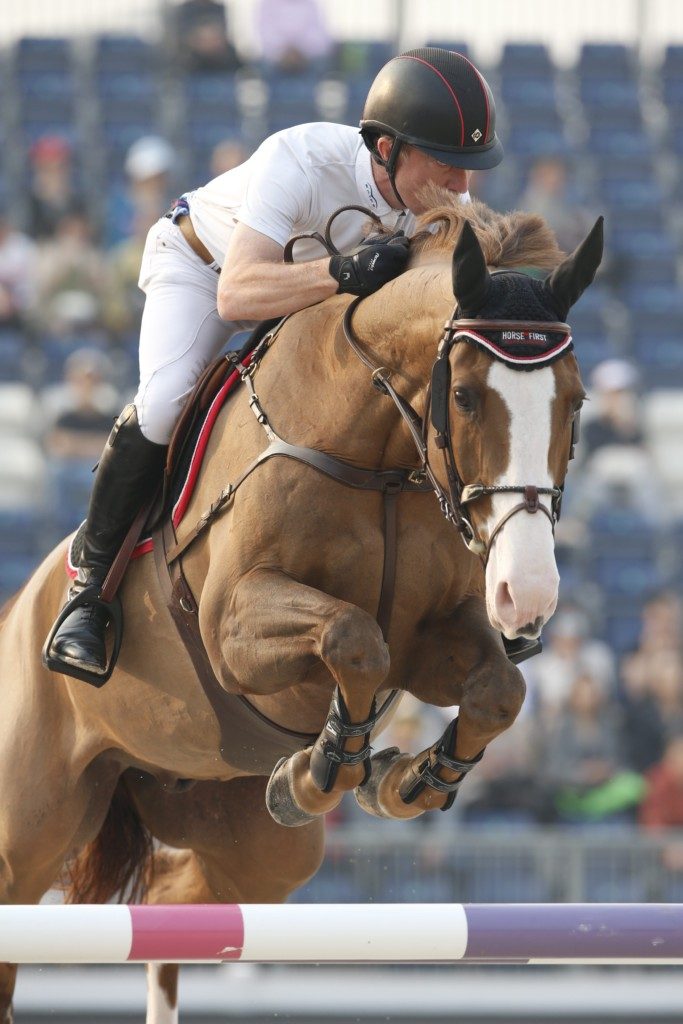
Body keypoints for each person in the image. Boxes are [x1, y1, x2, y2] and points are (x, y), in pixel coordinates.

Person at [44, 47, 505, 682]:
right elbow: (237, 294)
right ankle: (88, 592)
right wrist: (340, 272)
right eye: (449, 166)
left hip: (302, 304)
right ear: (388, 150)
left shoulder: (429, 198)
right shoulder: (303, 158)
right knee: (167, 397)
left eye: (469, 170)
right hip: (202, 269)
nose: (462, 186)